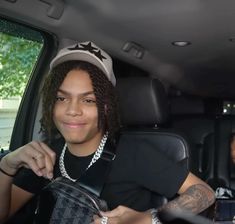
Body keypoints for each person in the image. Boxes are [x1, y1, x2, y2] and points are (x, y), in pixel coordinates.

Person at [0, 41, 215, 224]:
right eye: (61, 98)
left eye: (88, 100)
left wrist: (147, 219)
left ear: (106, 107)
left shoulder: (134, 152)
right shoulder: (44, 156)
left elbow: (204, 193)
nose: (72, 110)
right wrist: (7, 166)